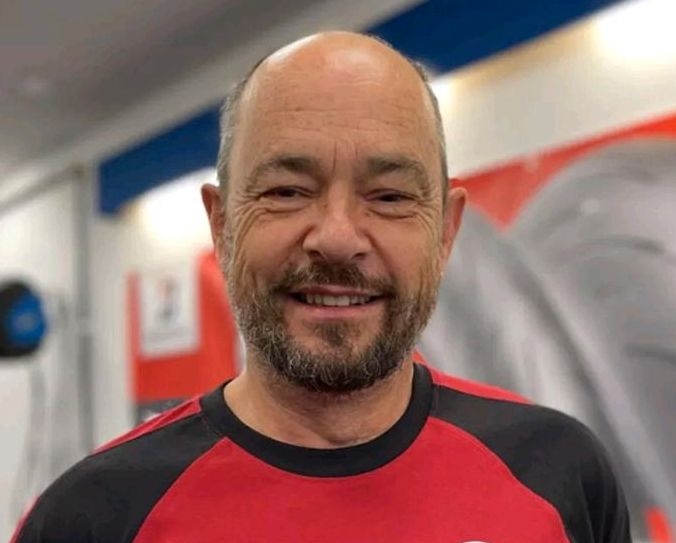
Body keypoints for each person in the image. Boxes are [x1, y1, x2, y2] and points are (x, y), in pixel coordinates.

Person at [12, 32, 631, 543]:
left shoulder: (560, 472)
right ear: (222, 226)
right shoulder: (92, 518)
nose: (337, 238)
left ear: (445, 232)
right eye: (287, 191)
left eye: (389, 196)